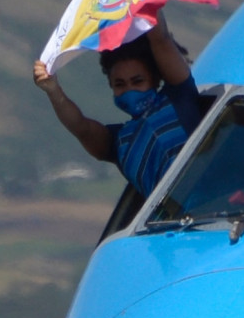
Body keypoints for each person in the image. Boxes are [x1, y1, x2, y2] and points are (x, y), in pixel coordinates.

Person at [33, 10, 202, 199]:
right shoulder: (120, 142)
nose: (129, 90)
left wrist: (148, 3)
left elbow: (160, 39)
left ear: (154, 78)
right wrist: (53, 90)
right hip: (176, 216)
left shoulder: (179, 98)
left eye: (137, 81)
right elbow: (81, 127)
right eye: (120, 84)